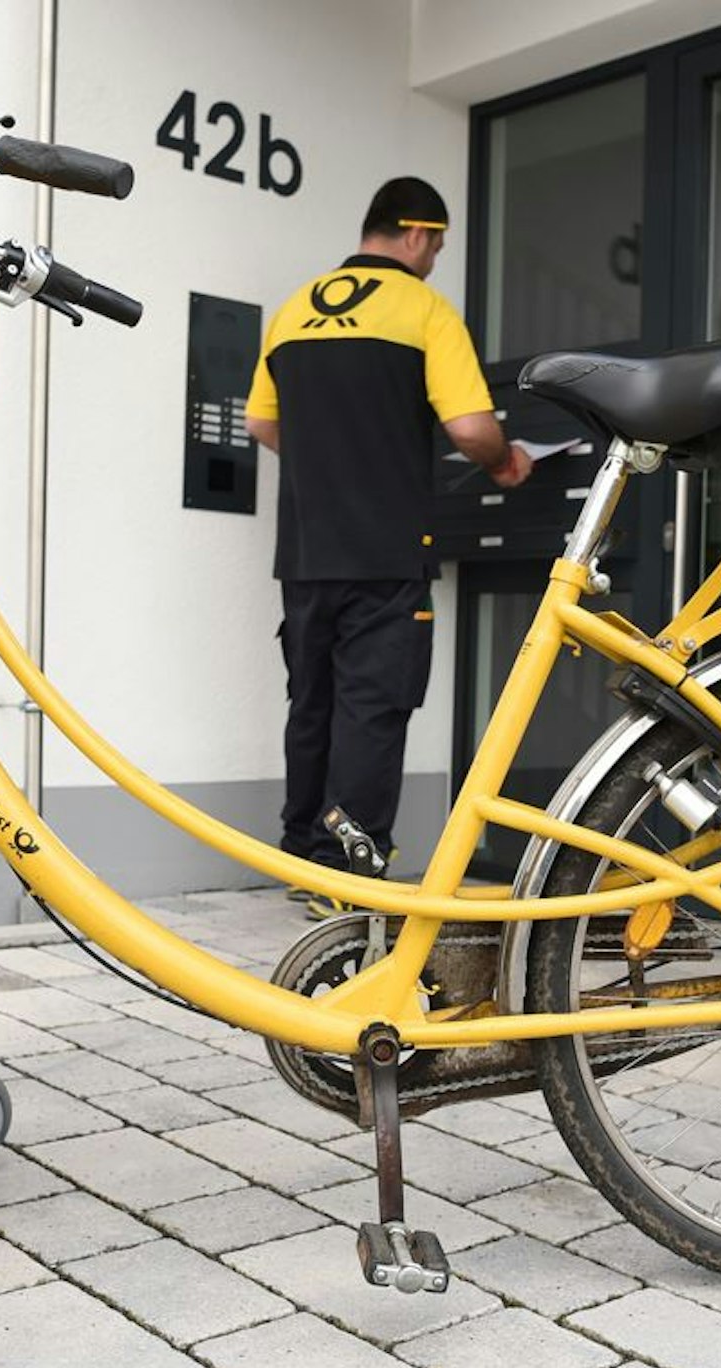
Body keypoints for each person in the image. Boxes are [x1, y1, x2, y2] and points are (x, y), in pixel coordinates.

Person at [245, 177, 531, 916]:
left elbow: (262, 426)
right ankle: (350, 875)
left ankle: (306, 858)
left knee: (312, 703)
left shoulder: (295, 311)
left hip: (306, 553)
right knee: (374, 706)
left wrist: (325, 464)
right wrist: (504, 463)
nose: (434, 258)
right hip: (385, 548)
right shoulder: (425, 311)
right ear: (414, 234)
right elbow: (470, 428)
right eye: (435, 245)